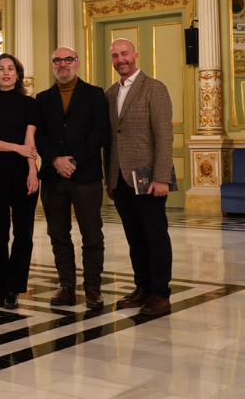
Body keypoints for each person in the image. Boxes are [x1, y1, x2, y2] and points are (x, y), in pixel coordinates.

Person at [103, 39, 174, 316]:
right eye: (115, 56)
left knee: (155, 235)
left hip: (148, 177)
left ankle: (161, 293)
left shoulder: (154, 88)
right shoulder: (110, 94)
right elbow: (111, 140)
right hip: (120, 179)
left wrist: (161, 178)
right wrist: (108, 179)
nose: (121, 59)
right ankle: (142, 287)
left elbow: (164, 136)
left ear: (135, 55)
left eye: (124, 54)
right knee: (134, 237)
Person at [35, 47, 110, 310]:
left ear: (77, 63)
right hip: (53, 178)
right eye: (57, 60)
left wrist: (73, 161)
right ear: (52, 65)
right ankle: (66, 286)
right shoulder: (42, 99)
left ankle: (92, 288)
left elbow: (100, 133)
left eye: (68, 59)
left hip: (85, 175)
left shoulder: (94, 94)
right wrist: (56, 159)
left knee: (92, 234)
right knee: (58, 234)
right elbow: (39, 135)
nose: (62, 64)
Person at [0, 53, 38, 310]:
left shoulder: (29, 103)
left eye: (10, 68)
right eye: (0, 68)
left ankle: (14, 288)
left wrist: (32, 172)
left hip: (23, 172)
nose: (5, 72)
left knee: (23, 233)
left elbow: (30, 142)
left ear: (18, 74)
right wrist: (16, 148)